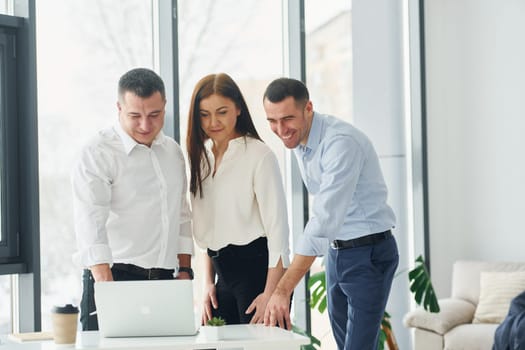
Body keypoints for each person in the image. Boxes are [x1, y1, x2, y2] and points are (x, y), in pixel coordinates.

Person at [262, 77, 399, 350]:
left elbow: (323, 220)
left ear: (308, 107)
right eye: (272, 121)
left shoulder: (341, 143)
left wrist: (282, 289)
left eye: (287, 118)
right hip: (338, 253)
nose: (280, 129)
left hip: (368, 253)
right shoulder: (301, 140)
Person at [71, 68, 194, 331]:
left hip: (165, 281)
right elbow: (90, 225)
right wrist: (108, 293)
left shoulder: (172, 152)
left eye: (154, 115)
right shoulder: (97, 152)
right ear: (119, 108)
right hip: (114, 278)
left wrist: (185, 270)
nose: (145, 126)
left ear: (164, 106)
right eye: (135, 116)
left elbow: (181, 214)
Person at [186, 73, 290, 325]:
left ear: (238, 109)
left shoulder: (259, 155)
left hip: (257, 274)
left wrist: (272, 293)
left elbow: (279, 233)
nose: (213, 122)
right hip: (222, 278)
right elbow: (210, 230)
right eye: (204, 114)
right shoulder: (201, 159)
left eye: (222, 112)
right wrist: (208, 283)